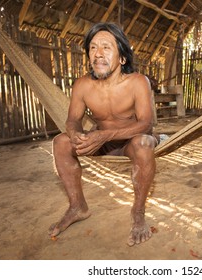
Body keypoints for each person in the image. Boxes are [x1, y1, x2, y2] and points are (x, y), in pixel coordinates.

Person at [49, 22, 157, 246]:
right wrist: (75, 133)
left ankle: (138, 212)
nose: (98, 54)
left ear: (122, 58)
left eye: (106, 48)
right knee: (61, 142)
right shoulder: (82, 85)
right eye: (93, 48)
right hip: (101, 142)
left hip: (131, 142)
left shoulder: (138, 82)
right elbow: (73, 120)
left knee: (145, 143)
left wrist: (104, 136)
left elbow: (146, 123)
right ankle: (78, 206)